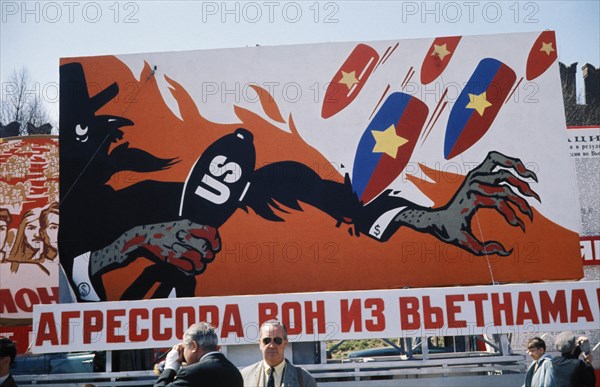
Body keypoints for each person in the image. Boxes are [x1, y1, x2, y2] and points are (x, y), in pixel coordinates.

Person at [153, 322, 243, 387]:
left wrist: (170, 368)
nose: (183, 353)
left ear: (194, 346)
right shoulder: (234, 372)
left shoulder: (191, 373)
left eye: (185, 348)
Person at [242, 320, 317, 387]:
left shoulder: (304, 379)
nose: (271, 345)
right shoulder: (245, 377)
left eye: (277, 340)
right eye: (267, 340)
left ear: (285, 343)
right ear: (260, 344)